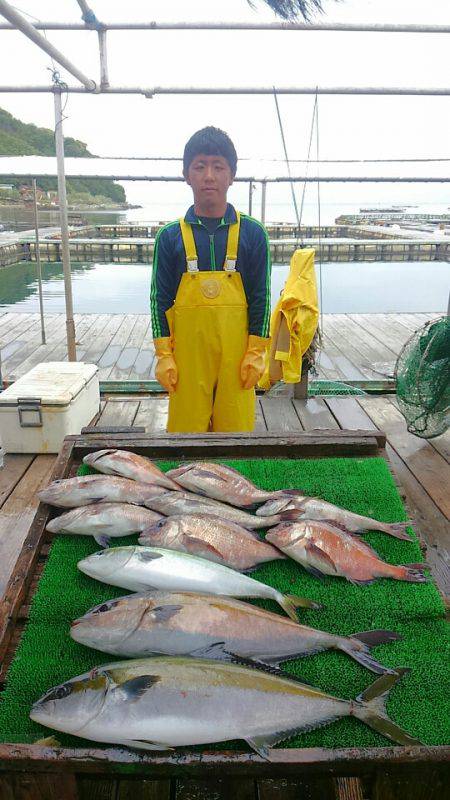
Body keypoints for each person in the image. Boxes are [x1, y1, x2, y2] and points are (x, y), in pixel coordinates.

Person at [151, 126, 271, 433]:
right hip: (188, 362)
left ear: (231, 175)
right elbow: (159, 300)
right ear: (186, 174)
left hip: (238, 359)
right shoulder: (169, 237)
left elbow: (262, 298)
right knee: (185, 439)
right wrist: (164, 355)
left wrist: (256, 352)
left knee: (237, 439)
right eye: (199, 166)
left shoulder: (253, 234)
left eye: (218, 167)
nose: (209, 175)